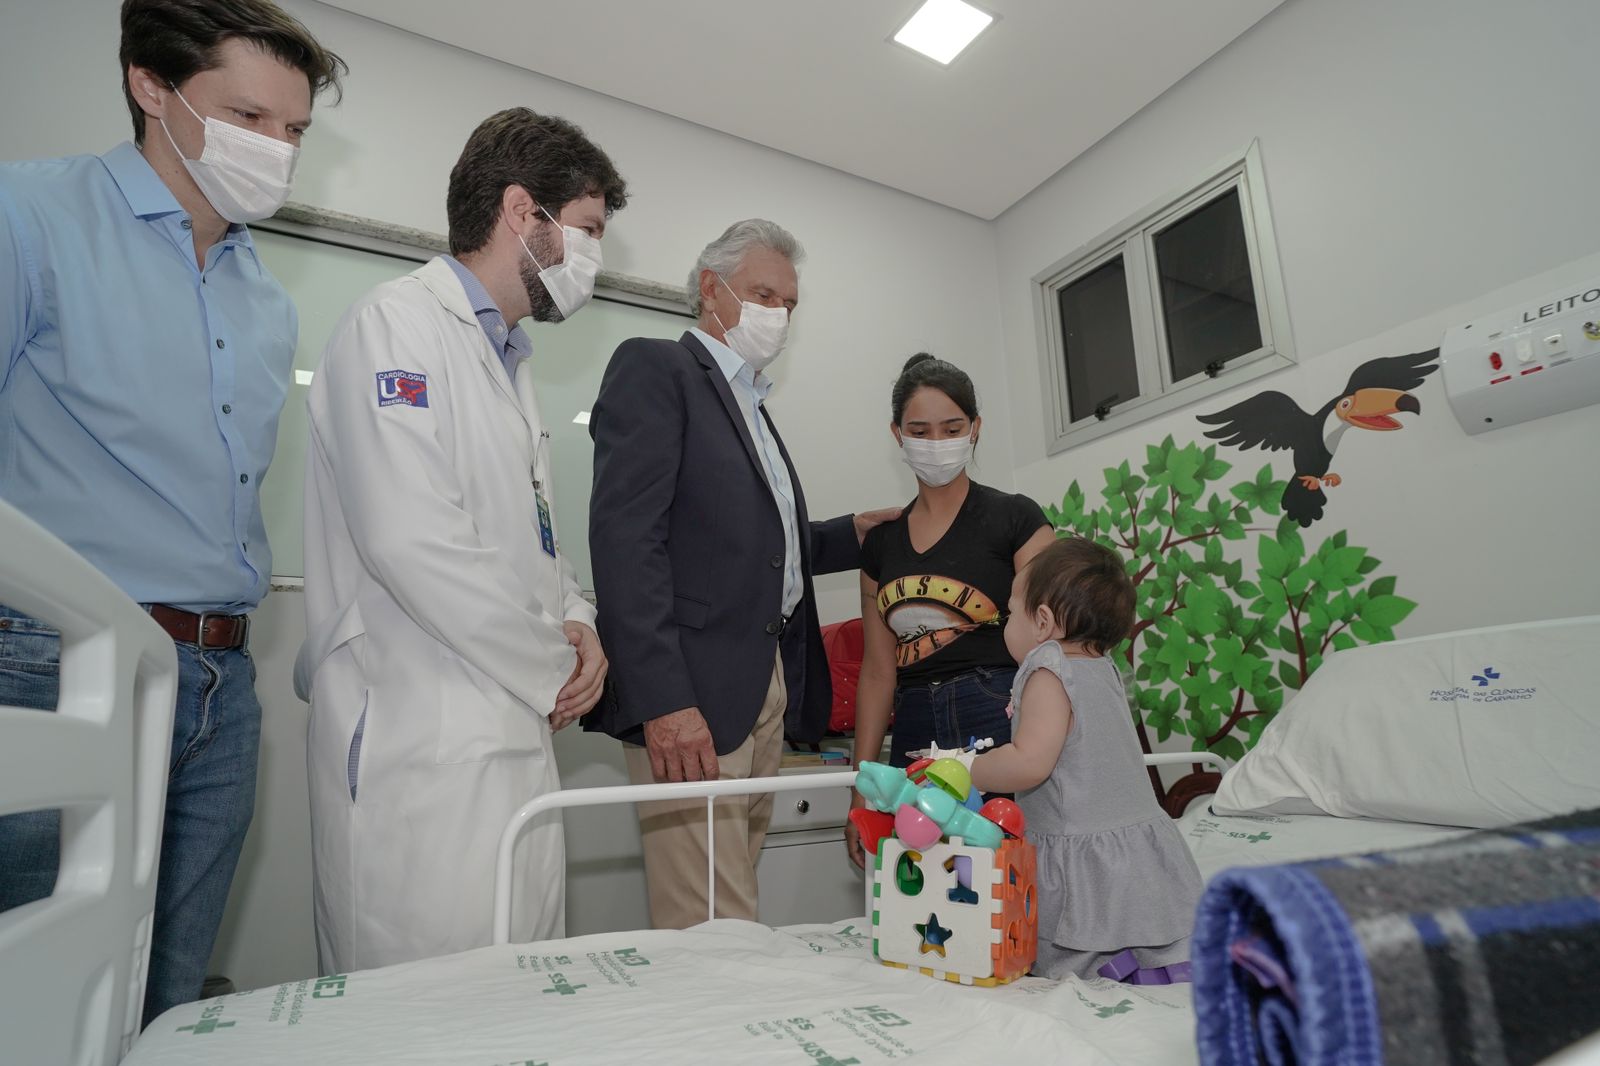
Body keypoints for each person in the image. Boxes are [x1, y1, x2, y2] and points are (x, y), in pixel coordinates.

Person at [0, 0, 343, 1025]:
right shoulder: (31, 218)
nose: (276, 149)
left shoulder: (261, 296)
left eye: (294, 131)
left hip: (217, 685)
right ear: (153, 86)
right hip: (54, 661)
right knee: (31, 991)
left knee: (164, 997)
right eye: (249, 116)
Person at [297, 108, 625, 973]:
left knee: (515, 996)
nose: (596, 257)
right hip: (421, 739)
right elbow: (412, 539)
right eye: (588, 231)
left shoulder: (511, 363)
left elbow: (536, 541)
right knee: (418, 1011)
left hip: (511, 738)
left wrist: (581, 624)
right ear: (525, 213)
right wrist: (555, 664)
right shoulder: (393, 326)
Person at [586, 219, 898, 929]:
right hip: (691, 691)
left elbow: (760, 549)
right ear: (710, 291)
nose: (779, 316)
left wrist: (852, 535)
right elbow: (626, 539)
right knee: (710, 919)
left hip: (764, 687)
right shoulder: (658, 371)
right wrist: (664, 700)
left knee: (730, 900)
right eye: (763, 294)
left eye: (790, 304)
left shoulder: (754, 407)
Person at [845, 353, 1054, 867]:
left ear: (975, 428)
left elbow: (1056, 645)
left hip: (1000, 712)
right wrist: (861, 789)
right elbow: (876, 673)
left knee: (1008, 880)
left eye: (951, 427)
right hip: (913, 723)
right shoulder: (879, 545)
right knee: (917, 889)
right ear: (897, 434)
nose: (936, 443)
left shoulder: (1016, 518)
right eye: (920, 430)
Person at [970, 537, 1203, 982]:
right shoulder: (1105, 667)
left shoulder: (1046, 669)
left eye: (1011, 611)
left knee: (1075, 963)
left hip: (1080, 850)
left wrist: (968, 768)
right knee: (1143, 945)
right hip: (1136, 851)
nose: (1006, 623)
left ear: (1040, 622)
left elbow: (1028, 763)